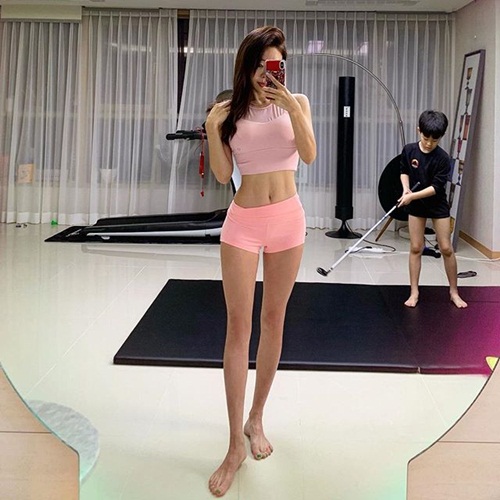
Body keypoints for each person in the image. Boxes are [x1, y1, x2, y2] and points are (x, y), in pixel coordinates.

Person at [204, 26, 316, 497]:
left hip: (288, 221)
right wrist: (212, 129)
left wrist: (290, 106)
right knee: (238, 328)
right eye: (261, 65)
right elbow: (223, 173)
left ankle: (256, 419)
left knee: (274, 321)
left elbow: (309, 154)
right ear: (247, 66)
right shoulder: (229, 112)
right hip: (243, 224)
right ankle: (234, 444)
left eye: (276, 66)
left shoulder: (298, 102)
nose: (267, 74)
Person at [398, 110, 467, 309]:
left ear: (441, 137)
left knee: (446, 248)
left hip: (437, 205)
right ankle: (414, 292)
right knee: (416, 247)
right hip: (416, 205)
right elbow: (404, 171)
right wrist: (406, 189)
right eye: (426, 138)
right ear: (418, 130)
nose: (429, 143)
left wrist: (411, 196)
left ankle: (454, 292)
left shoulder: (443, 158)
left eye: (434, 140)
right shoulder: (409, 150)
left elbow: (436, 188)